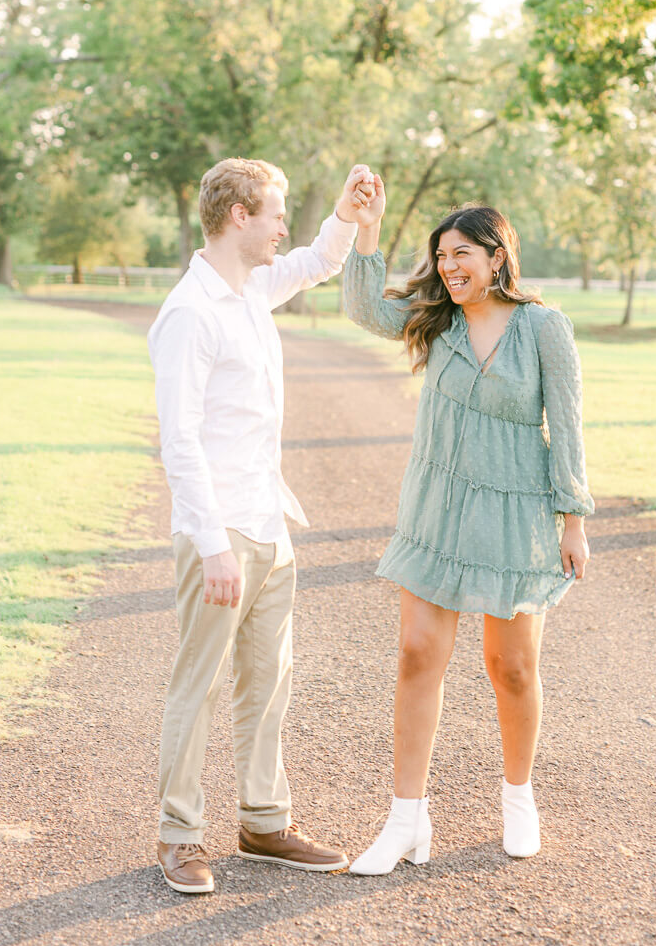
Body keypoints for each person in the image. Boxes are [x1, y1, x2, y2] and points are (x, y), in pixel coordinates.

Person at [342, 175, 593, 874]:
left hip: (516, 513)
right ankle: (405, 822)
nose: (451, 267)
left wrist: (572, 519)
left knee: (510, 666)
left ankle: (518, 798)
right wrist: (369, 226)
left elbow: (565, 428)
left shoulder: (545, 328)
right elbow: (365, 307)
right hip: (437, 506)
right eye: (443, 256)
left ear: (497, 256)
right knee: (418, 654)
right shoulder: (438, 316)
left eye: (463, 255)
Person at [147, 157, 372, 893]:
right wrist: (212, 544)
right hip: (221, 536)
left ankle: (264, 823)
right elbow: (178, 441)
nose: (283, 225)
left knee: (269, 683)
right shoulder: (190, 313)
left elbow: (315, 262)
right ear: (238, 216)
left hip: (270, 525)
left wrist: (345, 211)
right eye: (274, 213)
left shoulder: (249, 290)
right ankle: (179, 837)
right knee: (199, 684)